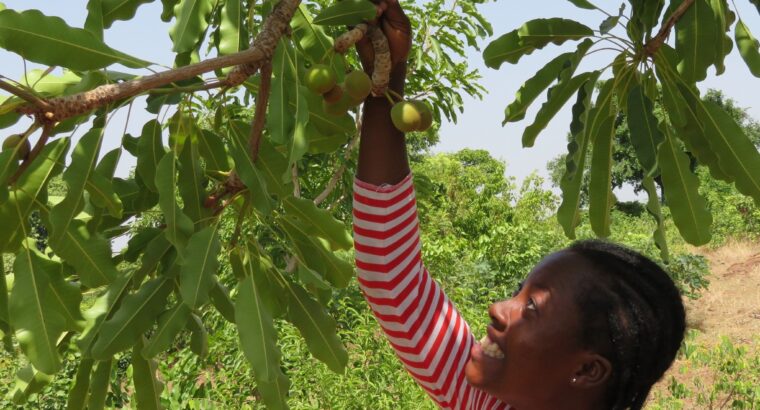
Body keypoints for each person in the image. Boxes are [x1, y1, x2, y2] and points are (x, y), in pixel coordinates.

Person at [352, 1, 687, 409]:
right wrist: (386, 74)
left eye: (531, 307)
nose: (497, 308)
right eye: (518, 293)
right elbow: (390, 271)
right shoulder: (486, 399)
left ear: (586, 371)